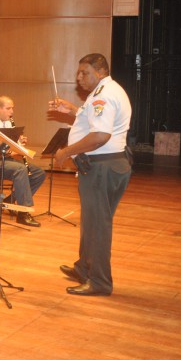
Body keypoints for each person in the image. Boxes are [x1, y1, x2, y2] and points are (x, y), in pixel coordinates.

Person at [49, 53, 132, 297]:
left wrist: (65, 152)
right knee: (91, 222)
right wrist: (73, 109)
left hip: (101, 166)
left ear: (100, 71)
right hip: (104, 165)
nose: (79, 77)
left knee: (97, 226)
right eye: (79, 72)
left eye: (84, 72)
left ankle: (99, 282)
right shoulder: (104, 92)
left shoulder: (104, 96)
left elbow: (99, 137)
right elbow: (93, 122)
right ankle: (84, 268)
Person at [0, 95, 47, 227]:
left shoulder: (8, 122)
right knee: (20, 169)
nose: (12, 112)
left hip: (5, 159)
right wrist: (13, 149)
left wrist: (18, 143)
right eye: (8, 108)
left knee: (38, 173)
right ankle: (23, 213)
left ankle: (10, 201)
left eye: (12, 108)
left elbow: (8, 145)